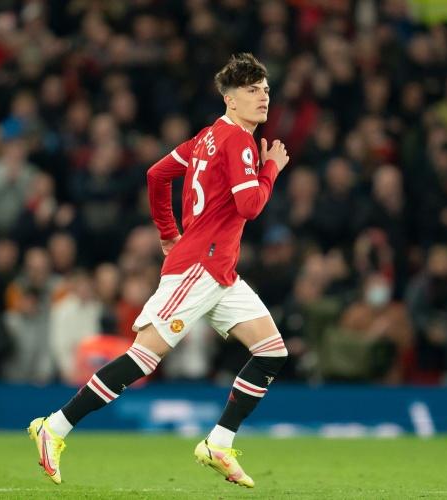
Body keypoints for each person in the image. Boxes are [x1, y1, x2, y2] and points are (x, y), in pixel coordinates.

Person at [28, 53, 290, 488]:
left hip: (219, 271)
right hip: (200, 267)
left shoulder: (206, 138)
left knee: (271, 351)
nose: (262, 97)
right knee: (143, 357)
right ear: (230, 99)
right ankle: (53, 427)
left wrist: (169, 232)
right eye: (251, 90)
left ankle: (219, 443)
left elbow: (156, 174)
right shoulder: (238, 141)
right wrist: (271, 169)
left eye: (265, 89)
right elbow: (250, 205)